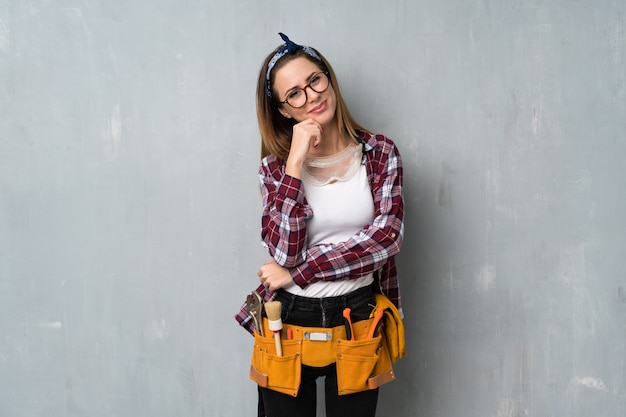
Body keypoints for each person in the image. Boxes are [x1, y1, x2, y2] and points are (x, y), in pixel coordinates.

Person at [235, 33, 405, 417]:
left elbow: (385, 240)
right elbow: (284, 251)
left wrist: (299, 271)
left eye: (314, 80)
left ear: (328, 78)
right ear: (282, 110)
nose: (310, 95)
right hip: (288, 317)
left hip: (358, 317)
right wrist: (294, 165)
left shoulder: (380, 154)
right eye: (294, 93)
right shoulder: (275, 169)